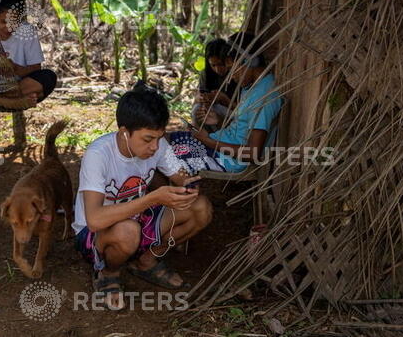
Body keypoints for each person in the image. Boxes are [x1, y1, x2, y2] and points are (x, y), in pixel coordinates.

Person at [73, 83, 213, 310]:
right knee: (127, 231)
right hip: (96, 234)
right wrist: (152, 199)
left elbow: (181, 177)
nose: (154, 147)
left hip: (138, 221)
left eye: (159, 138)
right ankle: (108, 272)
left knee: (200, 207)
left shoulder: (158, 146)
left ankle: (146, 261)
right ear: (124, 133)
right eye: (147, 139)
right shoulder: (98, 154)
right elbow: (94, 219)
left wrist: (189, 184)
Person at [170, 32, 283, 174]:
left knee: (165, 156)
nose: (230, 76)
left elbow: (253, 154)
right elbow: (244, 120)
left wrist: (207, 140)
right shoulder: (252, 86)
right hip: (217, 145)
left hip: (226, 160)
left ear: (249, 61)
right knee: (165, 141)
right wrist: (216, 123)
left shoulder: (265, 96)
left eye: (231, 68)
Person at [192, 38, 238, 129]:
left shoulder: (238, 74)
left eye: (221, 64)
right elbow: (197, 98)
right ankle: (199, 138)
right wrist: (200, 98)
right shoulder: (206, 74)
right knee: (197, 109)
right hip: (211, 111)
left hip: (235, 116)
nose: (217, 69)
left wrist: (224, 99)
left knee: (213, 111)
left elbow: (245, 111)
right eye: (213, 65)